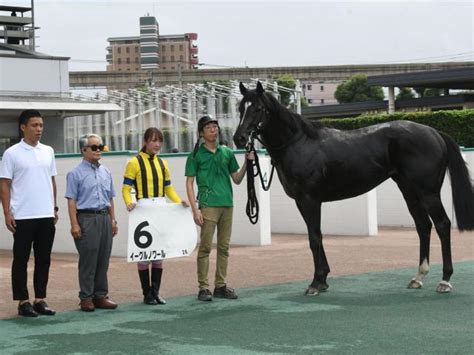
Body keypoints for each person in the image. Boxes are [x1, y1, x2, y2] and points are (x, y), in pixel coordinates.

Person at [185, 115, 254, 302]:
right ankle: (203, 287)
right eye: (209, 127)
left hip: (227, 204)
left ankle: (220, 286)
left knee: (224, 248)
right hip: (207, 205)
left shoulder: (227, 152)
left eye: (215, 127)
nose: (213, 130)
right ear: (201, 133)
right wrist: (195, 209)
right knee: (205, 247)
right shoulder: (196, 155)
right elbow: (189, 183)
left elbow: (237, 179)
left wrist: (248, 163)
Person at [0, 109, 58, 317]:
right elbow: (4, 184)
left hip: (45, 214)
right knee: (21, 259)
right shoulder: (12, 153)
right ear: (23, 127)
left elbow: (52, 181)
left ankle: (40, 299)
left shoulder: (48, 151)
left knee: (44, 259)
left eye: (41, 125)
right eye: (34, 125)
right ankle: (23, 301)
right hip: (22, 215)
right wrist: (7, 212)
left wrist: (54, 207)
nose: (39, 129)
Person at [122, 127, 189, 305]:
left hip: (160, 208)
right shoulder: (134, 162)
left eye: (159, 140)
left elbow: (168, 189)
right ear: (145, 141)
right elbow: (126, 188)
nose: (157, 144)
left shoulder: (163, 163)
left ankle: (156, 292)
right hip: (143, 209)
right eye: (153, 140)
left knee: (159, 252)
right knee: (144, 253)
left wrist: (179, 201)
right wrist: (129, 201)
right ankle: (147, 294)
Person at [65, 134, 118, 312]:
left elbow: (110, 198)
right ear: (83, 150)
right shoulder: (75, 173)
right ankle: (86, 298)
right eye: (94, 147)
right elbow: (71, 200)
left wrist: (113, 219)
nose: (98, 150)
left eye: (100, 147)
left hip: (104, 217)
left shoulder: (106, 171)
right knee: (89, 259)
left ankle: (101, 296)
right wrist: (74, 224)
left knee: (103, 258)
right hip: (86, 218)